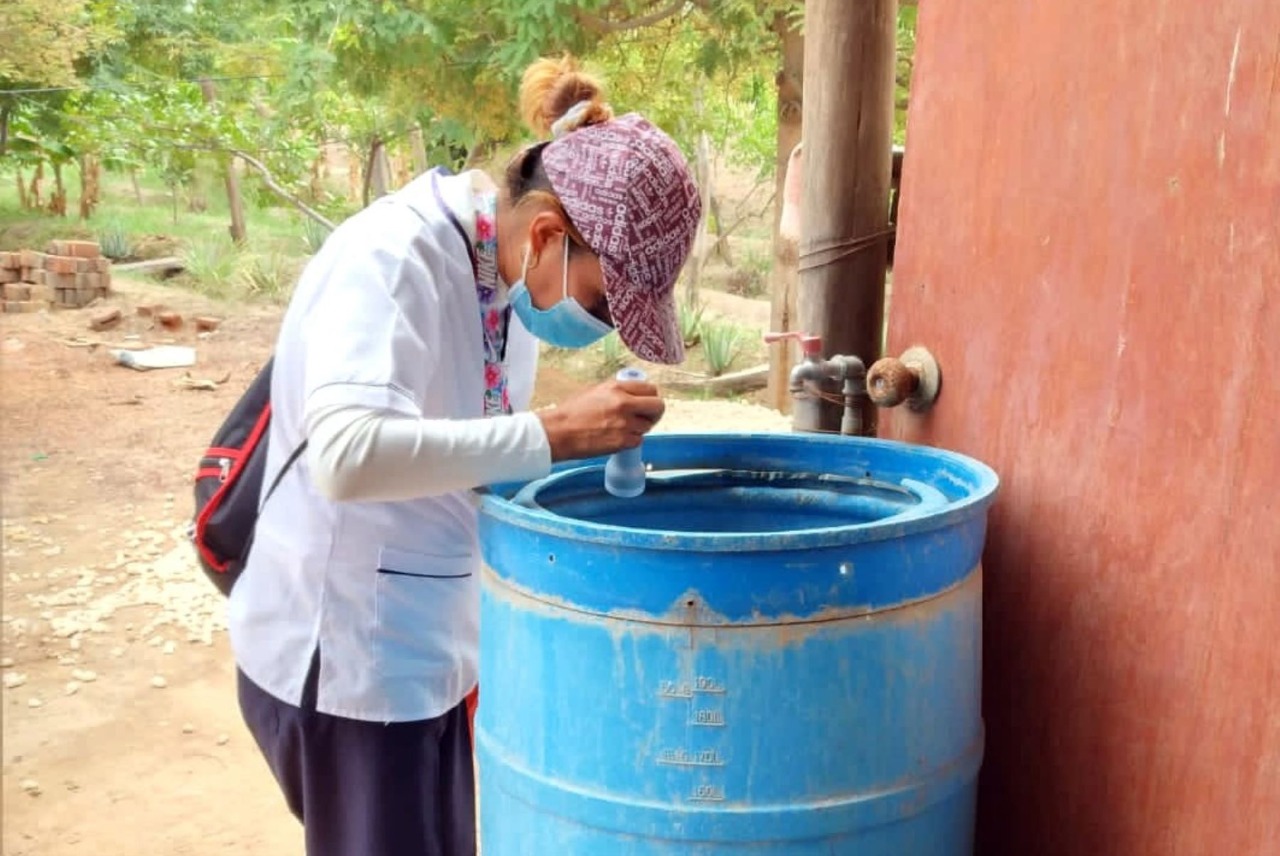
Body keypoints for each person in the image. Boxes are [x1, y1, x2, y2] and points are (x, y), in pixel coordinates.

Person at [227, 54, 701, 856]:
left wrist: (577, 462)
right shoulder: (392, 260)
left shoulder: (498, 274)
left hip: (425, 651)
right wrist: (553, 433)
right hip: (350, 662)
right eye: (601, 301)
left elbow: (464, 442)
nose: (603, 326)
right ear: (547, 231)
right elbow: (346, 455)